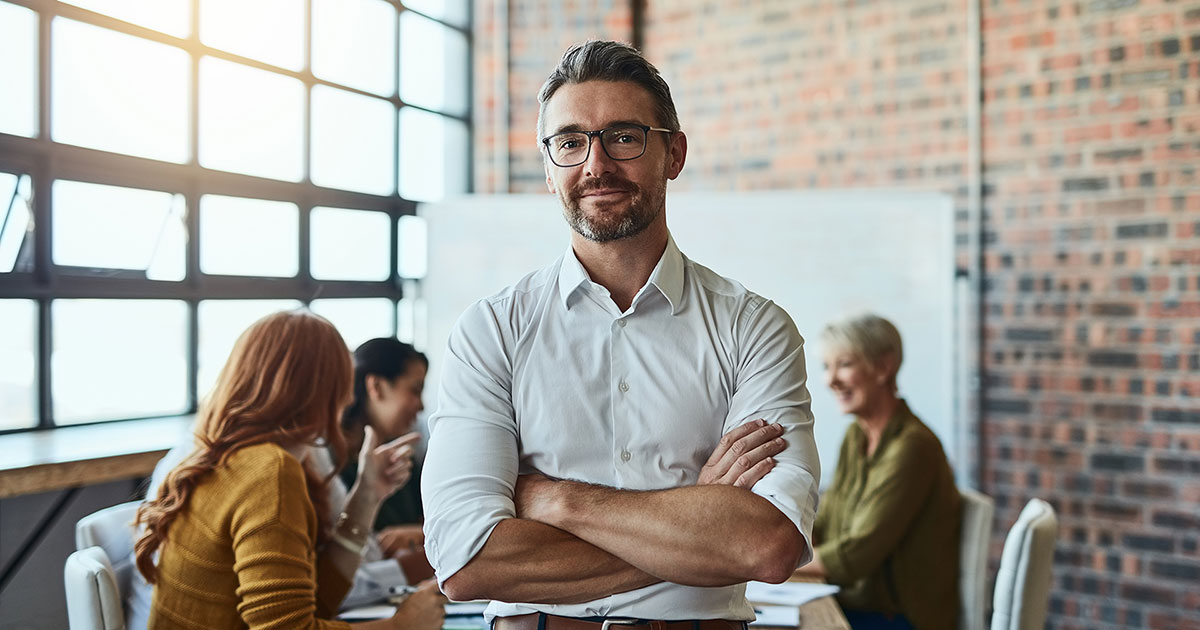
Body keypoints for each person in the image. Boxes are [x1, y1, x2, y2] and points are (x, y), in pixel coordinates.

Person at [422, 40, 821, 630]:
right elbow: (466, 562)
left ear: (674, 153)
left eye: (625, 137)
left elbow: (766, 545)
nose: (596, 165)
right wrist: (698, 523)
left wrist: (558, 500)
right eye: (570, 142)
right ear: (549, 164)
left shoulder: (753, 327)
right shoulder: (491, 332)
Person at [133, 310, 446, 630]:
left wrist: (366, 497)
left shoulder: (234, 455)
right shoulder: (270, 471)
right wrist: (400, 626)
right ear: (323, 389)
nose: (350, 395)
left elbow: (312, 602)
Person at [796, 314, 961, 630]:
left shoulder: (914, 447)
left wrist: (774, 560)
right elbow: (825, 523)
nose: (831, 380)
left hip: (900, 619)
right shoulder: (855, 437)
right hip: (857, 604)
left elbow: (855, 556)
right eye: (826, 367)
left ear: (884, 367)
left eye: (844, 364)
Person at [339, 338, 433, 579]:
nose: (420, 406)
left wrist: (420, 534)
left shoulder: (407, 462)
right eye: (415, 390)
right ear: (376, 387)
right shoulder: (331, 466)